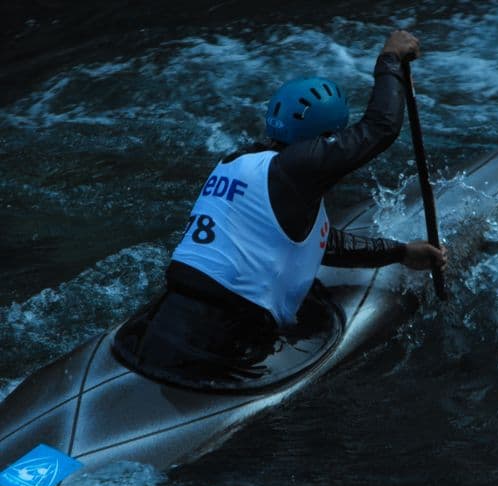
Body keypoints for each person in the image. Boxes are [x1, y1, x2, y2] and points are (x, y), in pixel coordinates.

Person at [113, 30, 447, 380]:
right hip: (223, 339)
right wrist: (389, 59)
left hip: (165, 315)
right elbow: (380, 129)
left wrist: (400, 252)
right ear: (326, 139)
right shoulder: (297, 168)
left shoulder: (239, 162)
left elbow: (320, 244)